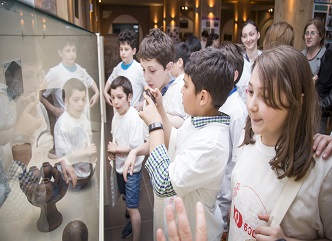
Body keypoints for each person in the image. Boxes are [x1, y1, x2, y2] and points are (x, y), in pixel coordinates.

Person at [228, 45, 332, 240]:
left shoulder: (322, 168)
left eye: (266, 97)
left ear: (297, 102)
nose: (251, 105)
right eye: (250, 91)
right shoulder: (246, 138)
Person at [139, 47, 235, 241]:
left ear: (203, 97)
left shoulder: (212, 144)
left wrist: (155, 125)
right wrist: (160, 110)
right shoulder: (197, 118)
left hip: (196, 231)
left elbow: (164, 183)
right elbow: (174, 140)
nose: (181, 91)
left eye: (185, 85)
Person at [124, 28, 188, 241]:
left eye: (152, 70)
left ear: (169, 67)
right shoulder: (156, 89)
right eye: (143, 70)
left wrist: (158, 114)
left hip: (175, 176)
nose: (146, 77)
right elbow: (155, 138)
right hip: (160, 169)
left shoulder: (181, 91)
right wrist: (135, 151)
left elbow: (178, 129)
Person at [216, 43, 247, 239]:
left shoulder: (237, 112)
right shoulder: (220, 100)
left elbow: (236, 162)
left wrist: (231, 202)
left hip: (224, 196)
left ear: (234, 75)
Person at [107, 76, 145, 241]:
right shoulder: (116, 115)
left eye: (120, 97)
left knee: (132, 208)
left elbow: (135, 147)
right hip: (119, 166)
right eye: (113, 97)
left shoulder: (134, 117)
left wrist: (116, 149)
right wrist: (112, 152)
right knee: (124, 196)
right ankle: (130, 214)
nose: (115, 102)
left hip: (131, 170)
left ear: (130, 97)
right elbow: (116, 137)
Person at [41, 37, 99, 119]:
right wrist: (54, 110)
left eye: (74, 50)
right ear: (60, 53)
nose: (72, 54)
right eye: (68, 51)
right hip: (67, 123)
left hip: (84, 121)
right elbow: (40, 94)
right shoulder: (55, 72)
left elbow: (90, 81)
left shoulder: (80, 70)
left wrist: (97, 92)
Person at [53, 78, 97, 165]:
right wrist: (86, 152)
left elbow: (88, 143)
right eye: (76, 100)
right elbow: (65, 156)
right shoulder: (63, 124)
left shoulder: (83, 118)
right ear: (66, 101)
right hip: (72, 175)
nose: (81, 104)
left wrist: (92, 154)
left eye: (83, 99)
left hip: (88, 170)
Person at [103, 29, 146, 111]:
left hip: (134, 115)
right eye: (121, 49)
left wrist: (142, 104)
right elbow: (110, 80)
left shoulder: (139, 69)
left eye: (126, 49)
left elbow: (148, 89)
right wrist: (105, 92)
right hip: (118, 113)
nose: (123, 53)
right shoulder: (117, 68)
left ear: (133, 51)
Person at [236, 19, 262, 103]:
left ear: (258, 35)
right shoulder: (238, 60)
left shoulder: (265, 59)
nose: (248, 39)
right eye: (244, 36)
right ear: (241, 39)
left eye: (251, 34)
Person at [301, 18, 326, 83]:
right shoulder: (300, 55)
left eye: (313, 33)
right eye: (306, 33)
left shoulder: (326, 56)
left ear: (320, 37)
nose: (309, 37)